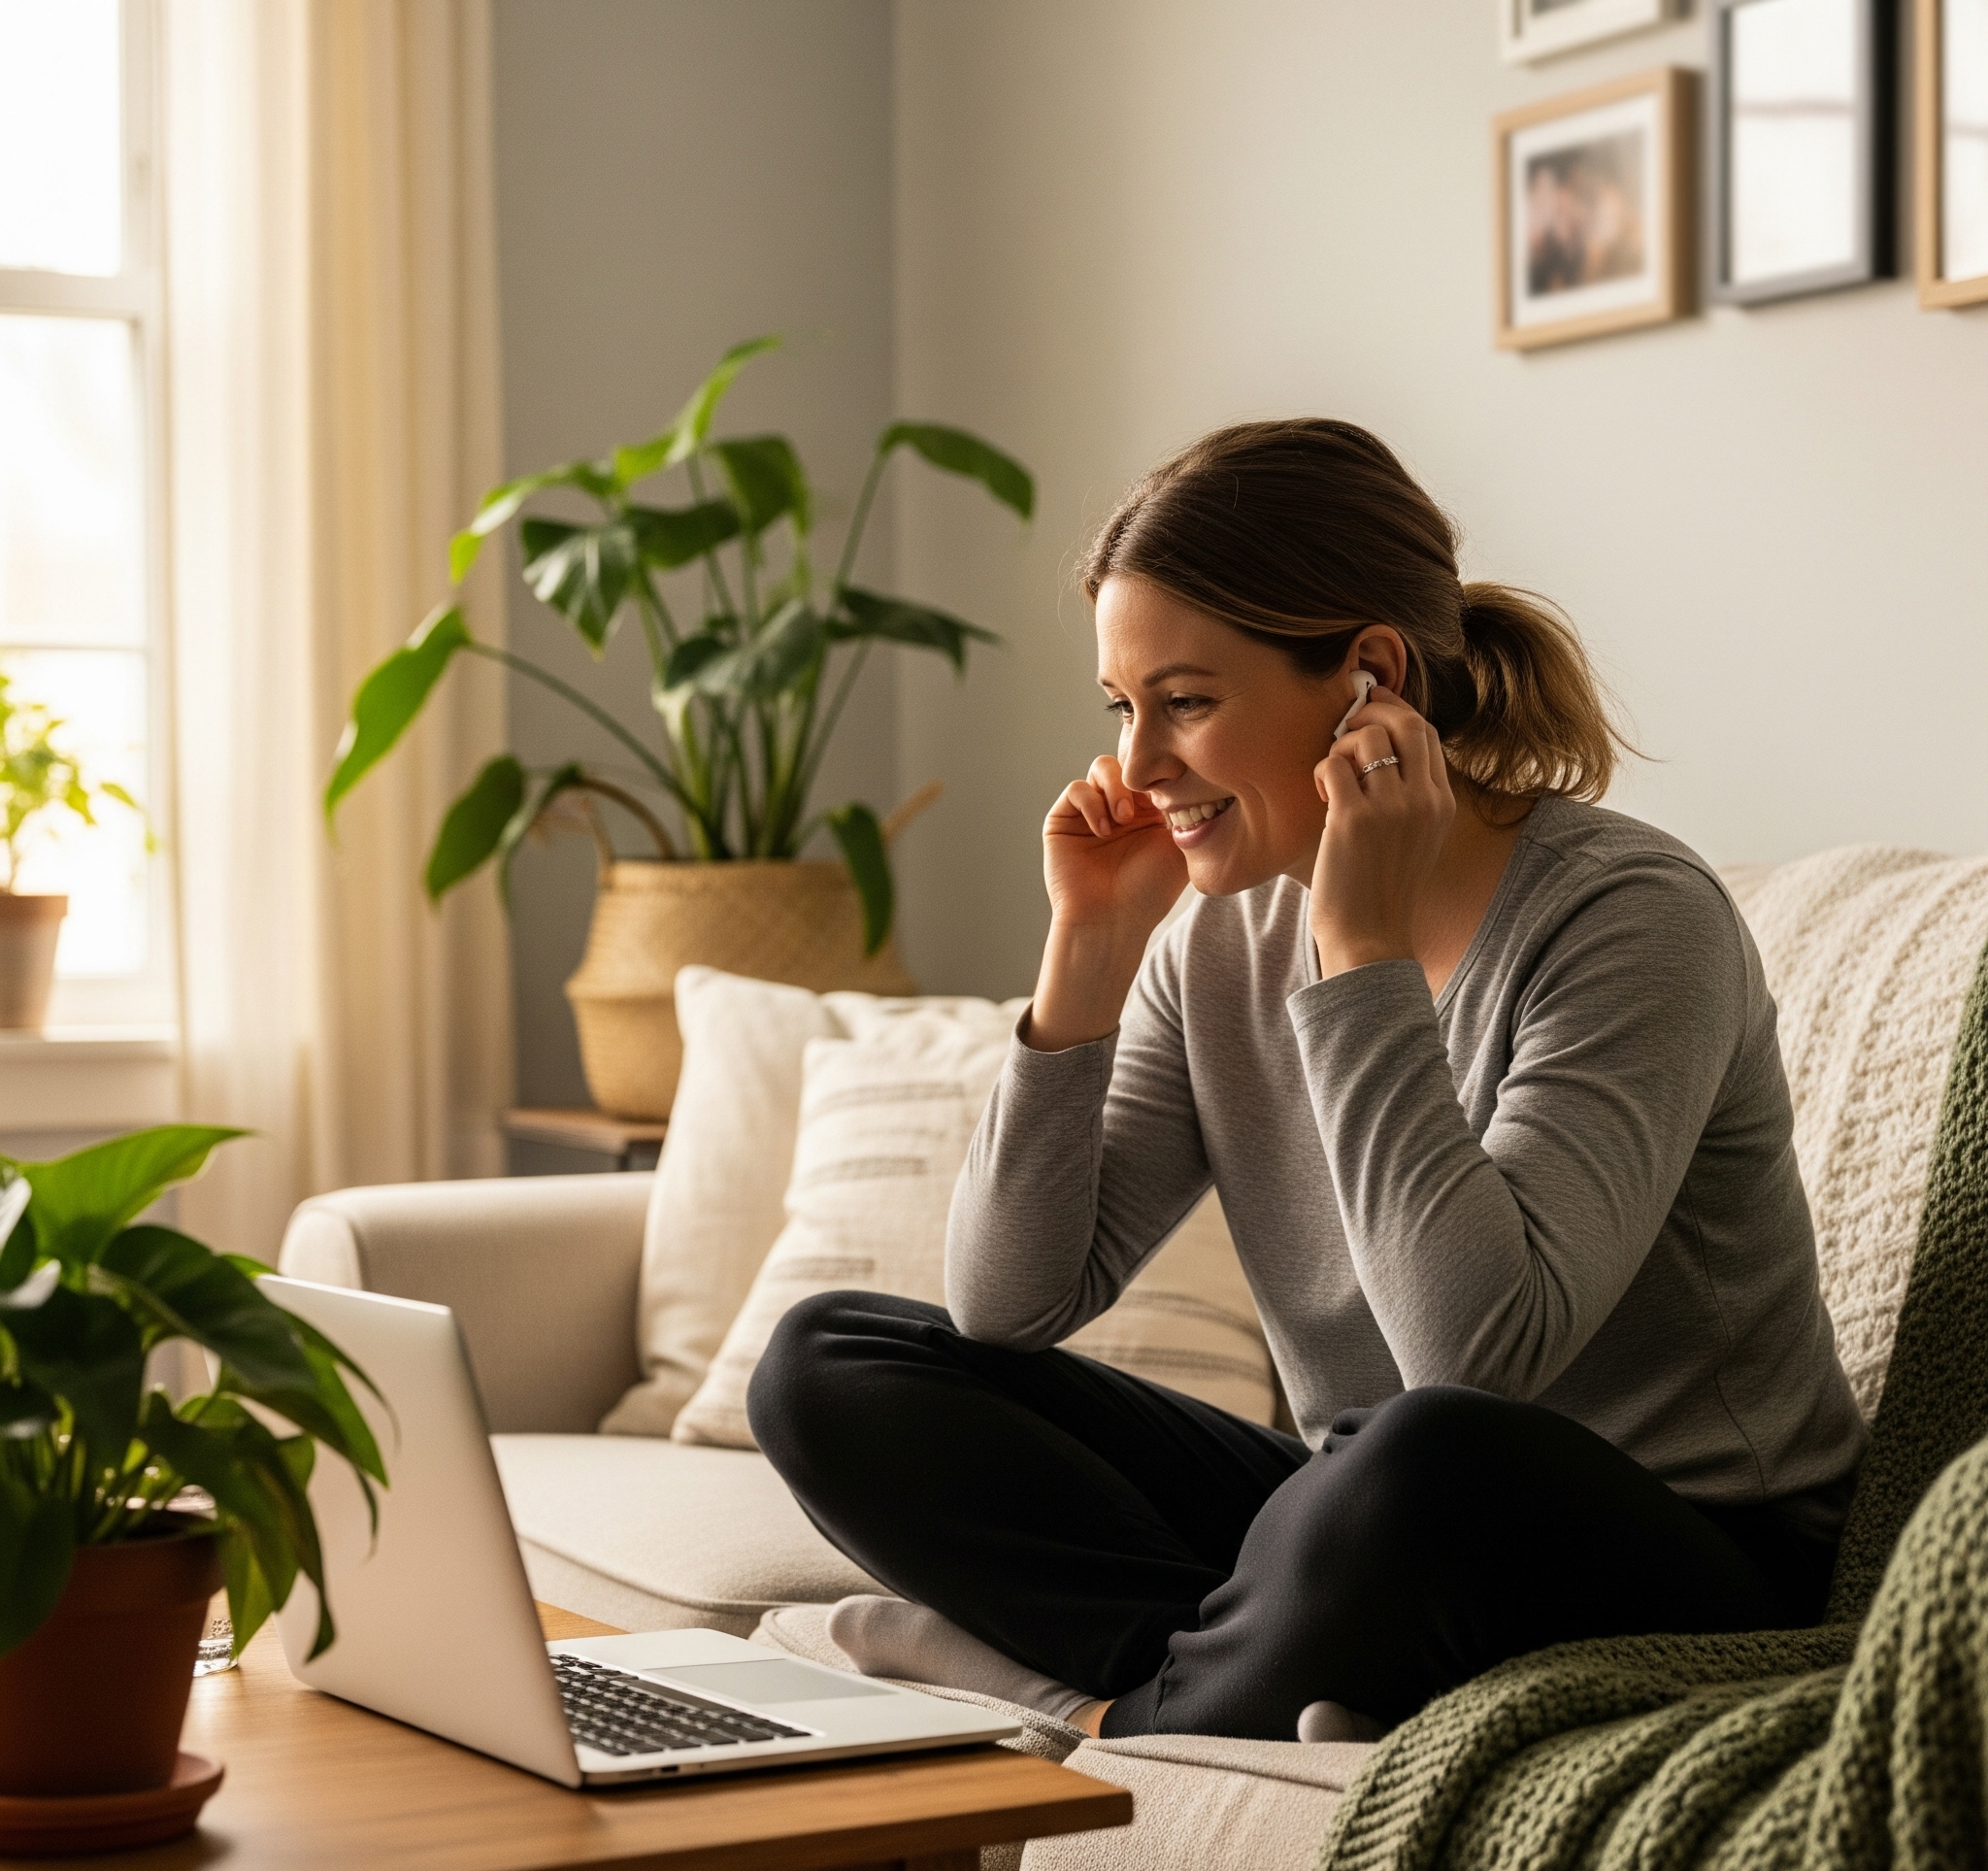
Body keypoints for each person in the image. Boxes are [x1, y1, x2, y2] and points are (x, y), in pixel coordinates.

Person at [747, 418, 1867, 1744]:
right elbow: (1009, 1306)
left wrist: (1361, 956)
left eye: (1187, 702)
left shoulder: (1634, 923)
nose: (1136, 766)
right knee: (830, 1363)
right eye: (1123, 709)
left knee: (1417, 1455)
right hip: (1359, 1510)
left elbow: (1472, 1358)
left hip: (1693, 1555)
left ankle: (1119, 1708)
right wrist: (1088, 958)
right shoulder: (1219, 941)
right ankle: (1246, 1677)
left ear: (1368, 680)